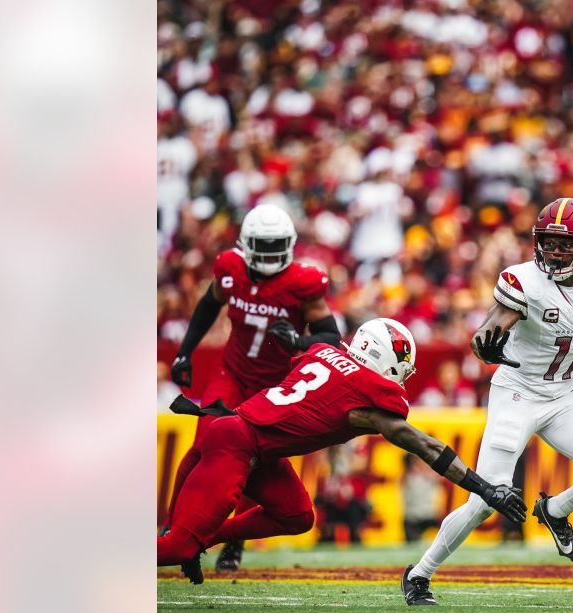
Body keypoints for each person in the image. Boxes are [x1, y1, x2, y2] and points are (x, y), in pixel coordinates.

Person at [158, 318, 525, 591]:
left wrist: (300, 340)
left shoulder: (322, 353)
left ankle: (204, 539)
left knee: (298, 515)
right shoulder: (369, 392)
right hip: (237, 443)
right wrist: (484, 488)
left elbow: (309, 356)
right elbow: (426, 446)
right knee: (174, 545)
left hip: (250, 441)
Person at [403, 198, 573, 605]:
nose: (555, 251)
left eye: (565, 244)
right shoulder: (522, 280)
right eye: (549, 242)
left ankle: (556, 511)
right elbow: (489, 328)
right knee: (487, 498)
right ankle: (419, 574)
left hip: (563, 393)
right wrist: (484, 347)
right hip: (517, 392)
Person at [165, 203, 342, 572]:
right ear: (246, 244)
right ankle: (173, 530)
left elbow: (331, 337)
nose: (268, 253)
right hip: (232, 373)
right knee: (204, 445)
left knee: (257, 461)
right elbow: (208, 305)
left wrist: (295, 340)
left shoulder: (303, 283)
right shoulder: (229, 268)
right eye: (262, 244)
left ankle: (231, 538)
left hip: (276, 385)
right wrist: (185, 352)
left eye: (275, 244)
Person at [399, 454, 440, 543]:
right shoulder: (408, 476)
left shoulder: (427, 475)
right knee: (412, 543)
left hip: (427, 514)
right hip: (412, 516)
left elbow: (437, 476)